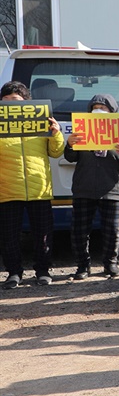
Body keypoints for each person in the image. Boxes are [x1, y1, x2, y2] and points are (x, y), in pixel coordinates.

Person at [0, 80, 65, 289]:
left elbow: (56, 152)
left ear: (26, 102)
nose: (11, 104)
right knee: (8, 236)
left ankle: (43, 271)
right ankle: (13, 273)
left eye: (16, 100)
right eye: (7, 100)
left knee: (43, 234)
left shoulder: (41, 121)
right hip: (7, 188)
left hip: (39, 188)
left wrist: (56, 134)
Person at [64, 94, 119, 279]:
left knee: (112, 230)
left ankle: (110, 264)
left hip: (112, 187)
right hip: (84, 187)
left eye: (103, 108)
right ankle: (82, 266)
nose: (99, 111)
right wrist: (70, 145)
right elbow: (70, 157)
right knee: (79, 230)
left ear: (112, 112)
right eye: (95, 107)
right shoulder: (80, 131)